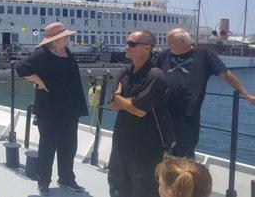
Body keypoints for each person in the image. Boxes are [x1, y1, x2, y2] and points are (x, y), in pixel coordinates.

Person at [156, 28, 255, 158]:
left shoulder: (203, 54)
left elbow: (226, 75)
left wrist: (245, 94)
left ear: (182, 41)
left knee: (183, 153)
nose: (167, 44)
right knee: (161, 149)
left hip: (187, 114)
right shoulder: (165, 55)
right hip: (163, 112)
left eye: (169, 41)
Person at [15, 22, 88, 196]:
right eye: (66, 36)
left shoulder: (67, 52)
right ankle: (43, 181)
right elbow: (21, 67)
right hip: (50, 109)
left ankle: (66, 178)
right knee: (48, 147)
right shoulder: (42, 54)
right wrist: (39, 81)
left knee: (69, 146)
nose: (69, 38)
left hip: (71, 107)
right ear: (57, 39)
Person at [108, 30, 174, 197]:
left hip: (145, 149)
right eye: (127, 42)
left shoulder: (155, 76)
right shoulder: (124, 74)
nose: (126, 46)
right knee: (117, 188)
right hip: (121, 145)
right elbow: (111, 106)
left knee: (144, 191)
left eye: (132, 44)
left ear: (147, 48)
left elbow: (138, 111)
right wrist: (128, 103)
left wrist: (118, 96)